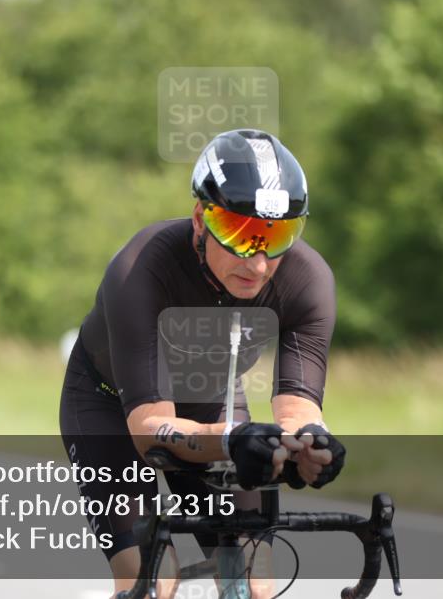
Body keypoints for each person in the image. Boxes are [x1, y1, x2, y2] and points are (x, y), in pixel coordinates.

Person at [59, 128, 346, 599]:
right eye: (239, 232)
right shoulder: (141, 268)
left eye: (276, 236)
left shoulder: (307, 280)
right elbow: (150, 425)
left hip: (212, 404)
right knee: (154, 580)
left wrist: (311, 444)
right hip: (110, 409)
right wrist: (234, 441)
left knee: (255, 580)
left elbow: (297, 402)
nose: (257, 262)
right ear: (200, 218)